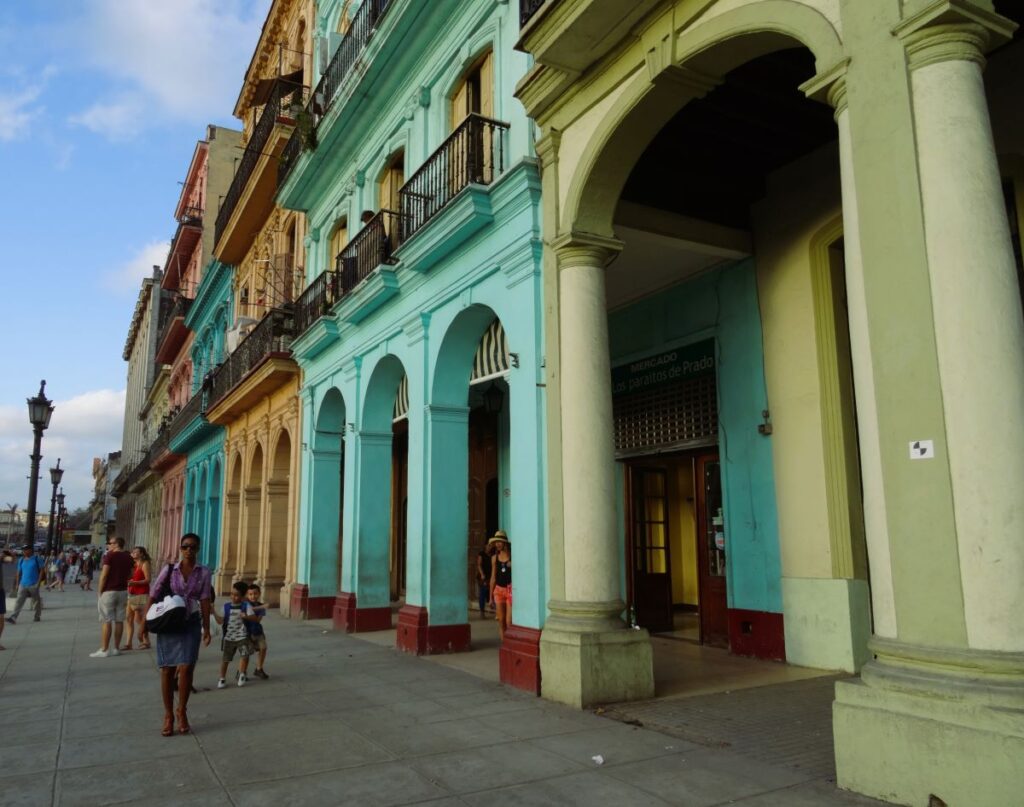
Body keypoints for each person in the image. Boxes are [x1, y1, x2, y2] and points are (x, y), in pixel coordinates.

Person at [150, 533, 211, 736]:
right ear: (180, 548)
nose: (189, 550)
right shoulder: (169, 570)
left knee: (186, 668)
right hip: (169, 622)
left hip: (191, 623)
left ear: (198, 549)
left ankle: (182, 711)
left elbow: (204, 599)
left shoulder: (203, 572)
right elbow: (154, 592)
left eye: (193, 547)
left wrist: (207, 629)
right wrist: (143, 622)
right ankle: (168, 715)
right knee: (167, 669)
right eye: (185, 546)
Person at [89, 537, 134, 658]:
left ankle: (104, 649)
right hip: (123, 591)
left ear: (116, 544)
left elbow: (104, 575)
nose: (109, 545)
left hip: (109, 591)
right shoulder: (128, 557)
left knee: (107, 620)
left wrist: (99, 591)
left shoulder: (110, 556)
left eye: (110, 543)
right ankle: (116, 648)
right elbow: (131, 575)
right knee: (119, 620)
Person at [213, 581, 252, 688]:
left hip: (242, 637)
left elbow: (253, 618)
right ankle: (222, 678)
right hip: (229, 638)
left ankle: (242, 674)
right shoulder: (226, 607)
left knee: (244, 655)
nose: (233, 597)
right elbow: (221, 621)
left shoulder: (246, 606)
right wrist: (214, 612)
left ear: (243, 596)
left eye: (236, 595)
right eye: (232, 594)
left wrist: (246, 617)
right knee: (226, 659)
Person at [122, 546, 152, 651]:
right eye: (132, 552)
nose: (133, 553)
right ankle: (128, 643)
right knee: (128, 618)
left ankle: (146, 640)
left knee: (138, 619)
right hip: (131, 593)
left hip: (141, 594)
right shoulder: (133, 565)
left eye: (136, 552)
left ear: (142, 554)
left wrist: (134, 582)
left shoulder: (145, 564)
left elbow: (148, 580)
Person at [8, 544, 46, 624]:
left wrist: (38, 583)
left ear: (30, 550)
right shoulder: (21, 559)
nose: (24, 551)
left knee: (36, 601)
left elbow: (42, 570)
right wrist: (17, 584)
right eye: (23, 550)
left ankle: (37, 616)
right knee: (19, 601)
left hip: (33, 584)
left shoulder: (37, 558)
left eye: (26, 550)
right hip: (23, 584)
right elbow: (18, 572)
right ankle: (13, 617)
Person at [488, 530, 512, 641]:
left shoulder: (512, 556)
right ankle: (505, 644)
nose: (498, 544)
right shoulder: (494, 558)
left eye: (500, 542)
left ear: (505, 543)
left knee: (509, 621)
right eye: (496, 542)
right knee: (501, 620)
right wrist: (490, 597)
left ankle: (511, 644)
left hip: (510, 590)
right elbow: (493, 577)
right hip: (498, 590)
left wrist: (512, 565)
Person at [245, 583, 269, 679]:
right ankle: (242, 672)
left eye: (255, 594)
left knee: (263, 648)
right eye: (250, 594)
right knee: (246, 653)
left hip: (258, 632)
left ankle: (259, 668)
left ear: (259, 594)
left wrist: (260, 608)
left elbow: (258, 619)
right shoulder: (245, 604)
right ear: (247, 595)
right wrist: (260, 607)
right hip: (246, 632)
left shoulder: (260, 606)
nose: (253, 596)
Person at [475, 538, 494, 619]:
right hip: (483, 577)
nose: (490, 547)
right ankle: (482, 612)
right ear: (485, 546)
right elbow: (479, 564)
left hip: (491, 576)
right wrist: (482, 574)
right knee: (482, 593)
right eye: (489, 545)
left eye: (491, 545)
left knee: (492, 592)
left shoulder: (493, 554)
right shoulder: (481, 554)